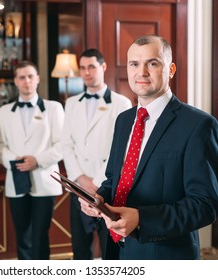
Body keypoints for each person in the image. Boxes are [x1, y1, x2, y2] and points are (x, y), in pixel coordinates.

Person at [79, 35, 218, 260]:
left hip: (165, 256)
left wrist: (142, 219)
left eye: (152, 63)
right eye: (134, 64)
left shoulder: (198, 125)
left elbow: (205, 206)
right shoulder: (124, 120)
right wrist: (98, 199)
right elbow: (113, 178)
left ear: (171, 69)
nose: (141, 72)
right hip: (116, 251)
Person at [61, 48, 132, 260]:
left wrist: (97, 181)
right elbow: (66, 144)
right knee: (80, 249)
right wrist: (80, 179)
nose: (86, 72)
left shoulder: (121, 103)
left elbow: (121, 150)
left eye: (91, 66)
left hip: (107, 188)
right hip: (78, 187)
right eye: (82, 68)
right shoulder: (71, 103)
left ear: (103, 67)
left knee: (110, 249)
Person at [0, 60, 64, 260]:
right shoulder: (4, 112)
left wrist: (37, 160)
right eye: (22, 77)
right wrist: (15, 160)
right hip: (16, 179)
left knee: (40, 234)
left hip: (45, 179)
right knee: (22, 235)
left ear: (38, 79)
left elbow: (61, 144)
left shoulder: (54, 108)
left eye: (30, 76)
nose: (27, 81)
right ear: (15, 81)